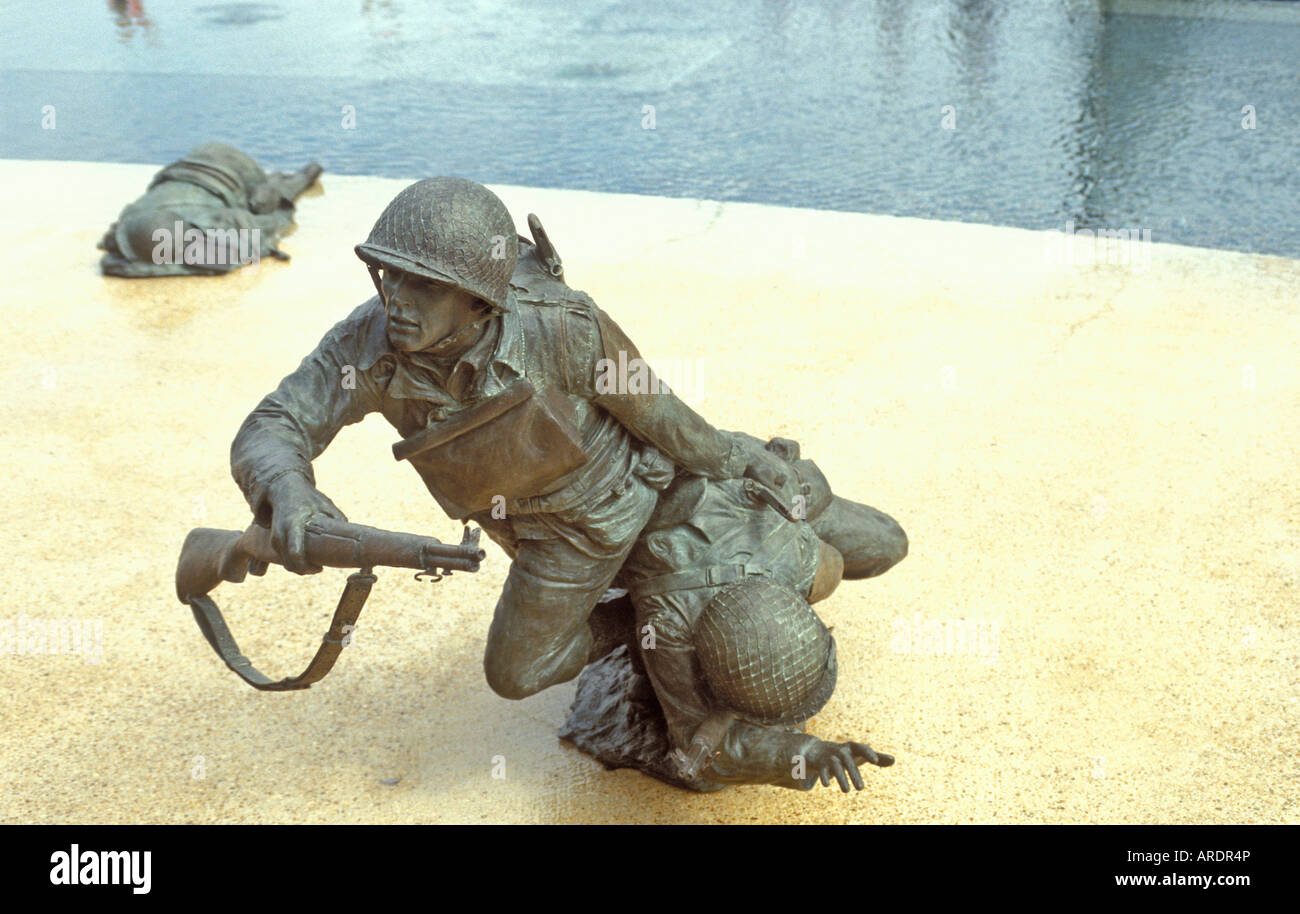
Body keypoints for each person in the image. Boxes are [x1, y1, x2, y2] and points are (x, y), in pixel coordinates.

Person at [230, 176, 798, 701]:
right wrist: (287, 486)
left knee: (859, 547)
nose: (397, 299)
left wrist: (731, 458)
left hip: (629, 493)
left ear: (479, 299)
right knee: (516, 675)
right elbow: (275, 422)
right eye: (388, 273)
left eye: (425, 284)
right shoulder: (366, 345)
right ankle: (641, 620)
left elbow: (655, 409)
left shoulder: (563, 325)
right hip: (545, 536)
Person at [612, 455, 905, 791]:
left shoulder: (797, 557)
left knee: (883, 544)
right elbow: (699, 748)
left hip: (739, 500)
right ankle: (624, 619)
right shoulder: (665, 626)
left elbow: (831, 560)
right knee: (705, 783)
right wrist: (803, 752)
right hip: (663, 511)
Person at [98, 142, 321, 277]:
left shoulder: (218, 222)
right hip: (192, 167)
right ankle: (303, 175)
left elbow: (268, 225)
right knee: (266, 202)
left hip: (237, 172)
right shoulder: (134, 219)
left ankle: (304, 176)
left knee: (266, 203)